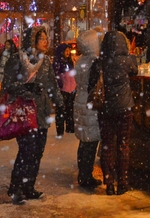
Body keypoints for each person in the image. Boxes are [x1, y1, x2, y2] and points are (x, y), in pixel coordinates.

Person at [1, 25, 64, 205]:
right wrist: (26, 88)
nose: (46, 42)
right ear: (33, 41)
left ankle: (29, 187)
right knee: (27, 151)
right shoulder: (17, 60)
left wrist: (61, 103)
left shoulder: (45, 61)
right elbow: (8, 84)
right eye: (42, 38)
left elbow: (52, 85)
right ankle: (16, 188)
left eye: (46, 38)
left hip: (41, 112)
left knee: (37, 151)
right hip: (24, 112)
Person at [99, 30, 138, 196]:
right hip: (124, 107)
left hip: (106, 108)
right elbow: (135, 71)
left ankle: (109, 183)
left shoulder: (100, 61)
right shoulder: (127, 61)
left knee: (107, 145)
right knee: (123, 145)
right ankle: (123, 182)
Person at [73, 29, 103, 190]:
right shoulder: (94, 62)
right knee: (91, 141)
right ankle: (86, 176)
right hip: (90, 103)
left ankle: (82, 174)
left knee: (84, 141)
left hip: (81, 100)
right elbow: (95, 85)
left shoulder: (81, 60)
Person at [53, 42, 76, 137]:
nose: (67, 52)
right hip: (63, 90)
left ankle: (70, 127)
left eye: (68, 50)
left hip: (72, 89)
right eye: (65, 51)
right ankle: (60, 130)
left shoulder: (70, 62)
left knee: (70, 110)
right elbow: (55, 75)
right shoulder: (58, 63)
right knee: (61, 111)